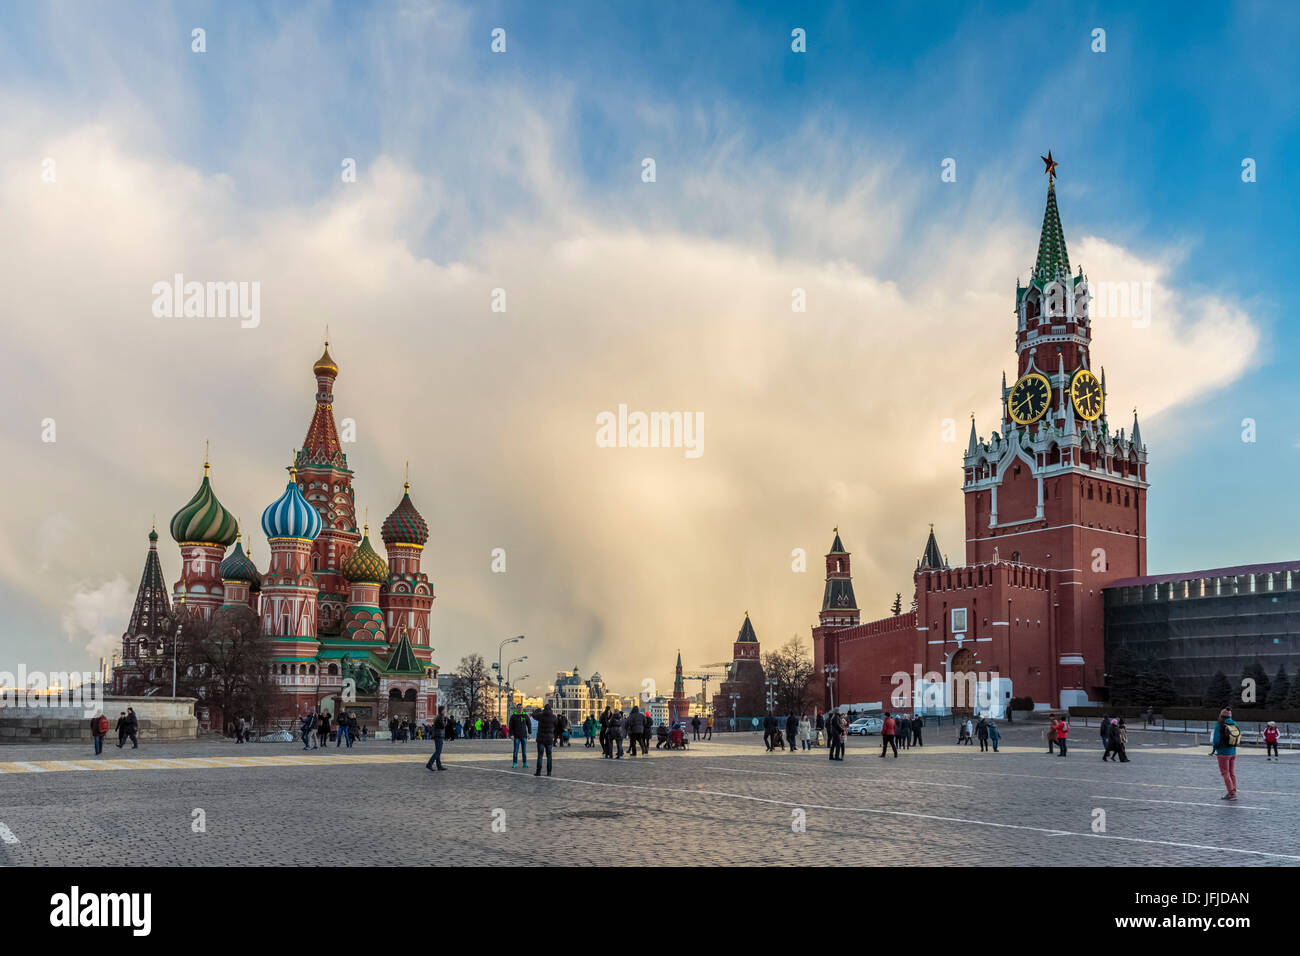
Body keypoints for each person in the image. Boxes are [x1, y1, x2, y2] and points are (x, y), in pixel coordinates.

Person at [1210, 708, 1240, 800]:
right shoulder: (1235, 724)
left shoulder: (1220, 725)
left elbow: (1216, 740)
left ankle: (1231, 793)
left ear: (1221, 715)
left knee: (1225, 773)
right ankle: (1233, 791)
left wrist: (1215, 749)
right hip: (1233, 752)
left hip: (1223, 753)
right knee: (1232, 773)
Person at [533, 703, 557, 776]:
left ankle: (538, 772)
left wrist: (538, 710)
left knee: (540, 755)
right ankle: (549, 772)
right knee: (549, 756)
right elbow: (556, 725)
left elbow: (533, 715)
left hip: (541, 739)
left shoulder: (541, 715)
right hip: (549, 739)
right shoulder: (553, 717)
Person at [426, 706, 448, 772]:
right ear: (442, 711)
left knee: (438, 751)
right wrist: (446, 719)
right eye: (444, 710)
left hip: (437, 735)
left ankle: (439, 766)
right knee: (438, 751)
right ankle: (429, 764)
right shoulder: (440, 717)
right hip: (439, 735)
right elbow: (443, 725)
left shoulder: (437, 716)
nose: (445, 711)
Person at [509, 704, 530, 769]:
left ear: (522, 708)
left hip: (524, 735)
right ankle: (514, 763)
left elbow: (529, 724)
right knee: (515, 751)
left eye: (521, 707)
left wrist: (530, 733)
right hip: (516, 736)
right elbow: (511, 726)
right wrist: (511, 735)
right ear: (516, 708)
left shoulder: (525, 716)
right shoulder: (513, 716)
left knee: (524, 751)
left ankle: (525, 763)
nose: (520, 708)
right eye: (518, 707)